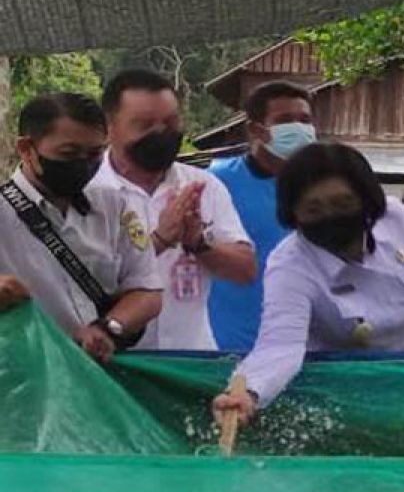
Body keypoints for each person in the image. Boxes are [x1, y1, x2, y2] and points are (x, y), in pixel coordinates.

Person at [211, 143, 404, 422]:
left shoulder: (395, 216)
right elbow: (279, 345)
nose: (331, 216)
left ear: (366, 200)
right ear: (293, 215)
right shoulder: (290, 265)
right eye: (313, 210)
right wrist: (248, 392)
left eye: (343, 204)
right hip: (344, 401)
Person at [91, 69, 255, 351]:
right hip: (114, 361)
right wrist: (160, 240)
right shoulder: (86, 190)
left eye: (170, 122)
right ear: (110, 128)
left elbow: (245, 270)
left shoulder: (203, 186)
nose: (160, 134)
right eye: (144, 125)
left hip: (192, 358)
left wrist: (199, 244)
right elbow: (82, 281)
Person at [0, 93, 161, 360]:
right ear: (27, 149)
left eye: (95, 153)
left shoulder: (114, 206)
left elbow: (147, 290)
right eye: (69, 153)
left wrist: (108, 329)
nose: (84, 164)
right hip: (26, 378)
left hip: (100, 375)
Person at [208, 81, 317, 350]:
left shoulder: (323, 184)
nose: (299, 129)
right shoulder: (216, 183)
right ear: (256, 129)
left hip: (304, 344)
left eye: (305, 120)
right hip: (228, 347)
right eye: (285, 121)